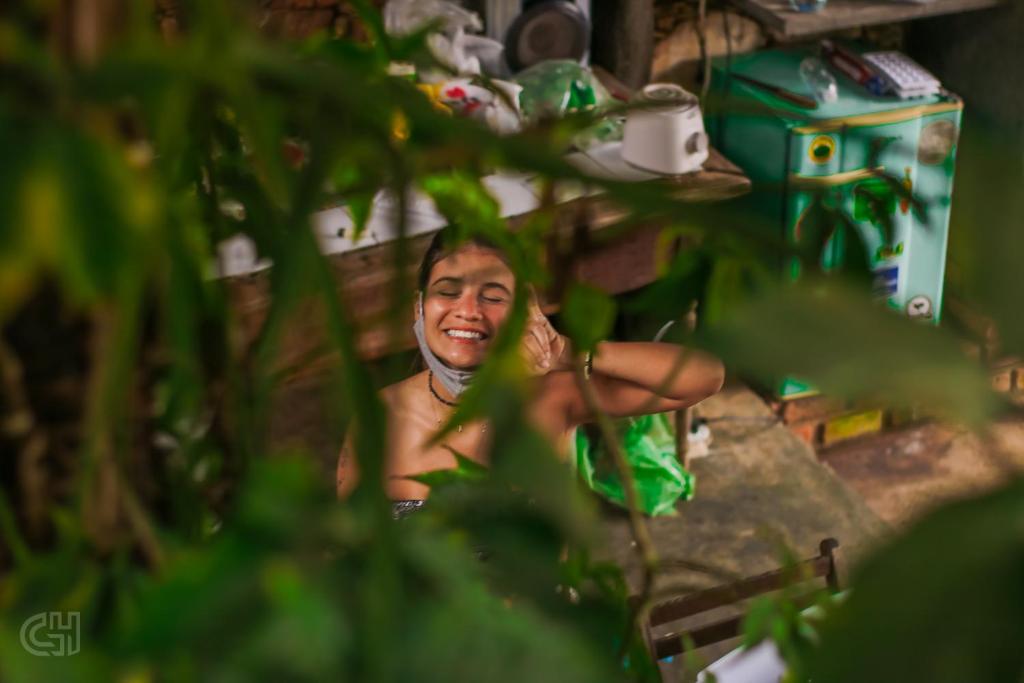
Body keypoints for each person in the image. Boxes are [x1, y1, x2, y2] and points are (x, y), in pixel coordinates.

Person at [336, 228, 725, 517]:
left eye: (492, 296)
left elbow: (704, 377)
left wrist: (573, 352)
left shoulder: (553, 398)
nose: (468, 310)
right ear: (419, 308)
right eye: (448, 291)